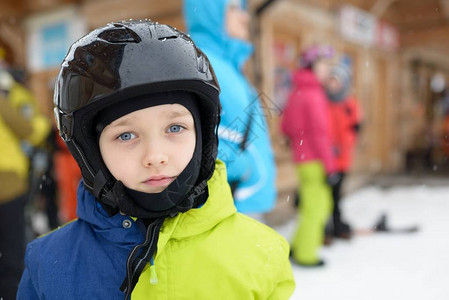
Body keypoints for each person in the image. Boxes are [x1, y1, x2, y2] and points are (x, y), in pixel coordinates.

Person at [17, 20, 295, 299]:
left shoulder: (262, 254)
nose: (155, 157)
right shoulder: (48, 264)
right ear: (90, 152)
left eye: (175, 128)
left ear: (203, 137)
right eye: (126, 136)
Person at [183, 0, 278, 220]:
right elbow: (187, 137)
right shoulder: (200, 64)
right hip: (227, 205)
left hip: (243, 201)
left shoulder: (227, 66)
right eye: (234, 8)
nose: (245, 17)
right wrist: (239, 167)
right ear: (210, 13)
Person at [281, 44, 337, 267]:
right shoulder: (314, 94)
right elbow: (320, 134)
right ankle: (305, 254)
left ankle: (297, 246)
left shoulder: (297, 91)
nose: (326, 71)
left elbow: (286, 127)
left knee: (310, 206)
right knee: (318, 207)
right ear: (311, 67)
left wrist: (299, 143)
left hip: (303, 159)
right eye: (322, 66)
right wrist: (331, 168)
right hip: (315, 160)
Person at [0, 67, 50, 298]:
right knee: (11, 252)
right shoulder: (6, 95)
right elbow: (28, 130)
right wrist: (45, 124)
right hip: (6, 183)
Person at [324, 56, 362, 242]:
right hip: (325, 159)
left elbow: (354, 130)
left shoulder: (350, 104)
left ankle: (337, 226)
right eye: (331, 80)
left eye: (336, 81)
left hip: (342, 159)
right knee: (324, 197)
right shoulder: (323, 102)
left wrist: (341, 146)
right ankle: (326, 228)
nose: (333, 85)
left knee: (337, 195)